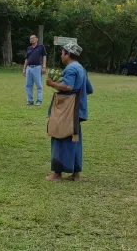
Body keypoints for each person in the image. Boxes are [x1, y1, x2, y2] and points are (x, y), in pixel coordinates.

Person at [45, 42, 93, 182]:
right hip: (78, 110)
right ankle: (76, 173)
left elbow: (68, 86)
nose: (61, 55)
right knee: (75, 139)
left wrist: (52, 84)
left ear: (67, 54)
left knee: (60, 138)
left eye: (62, 52)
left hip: (67, 111)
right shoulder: (81, 69)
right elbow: (89, 89)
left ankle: (57, 173)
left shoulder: (71, 68)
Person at [22, 35, 47, 106]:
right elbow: (26, 59)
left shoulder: (41, 47)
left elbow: (44, 56)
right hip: (29, 68)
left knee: (39, 85)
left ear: (37, 39)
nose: (31, 40)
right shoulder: (29, 48)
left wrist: (44, 66)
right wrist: (24, 68)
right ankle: (30, 101)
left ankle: (39, 101)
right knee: (28, 85)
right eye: (30, 38)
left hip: (37, 68)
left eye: (33, 38)